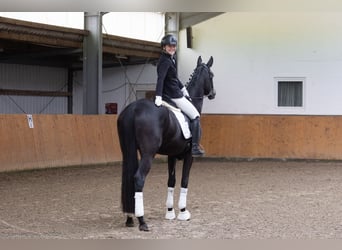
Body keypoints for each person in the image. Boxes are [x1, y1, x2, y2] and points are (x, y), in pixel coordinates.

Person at [154, 34, 204, 157]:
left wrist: (183, 88)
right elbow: (161, 79)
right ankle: (194, 147)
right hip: (173, 95)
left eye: (173, 46)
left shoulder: (171, 58)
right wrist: (158, 96)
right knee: (195, 116)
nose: (172, 48)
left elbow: (174, 78)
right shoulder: (165, 61)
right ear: (164, 47)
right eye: (169, 46)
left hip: (175, 91)